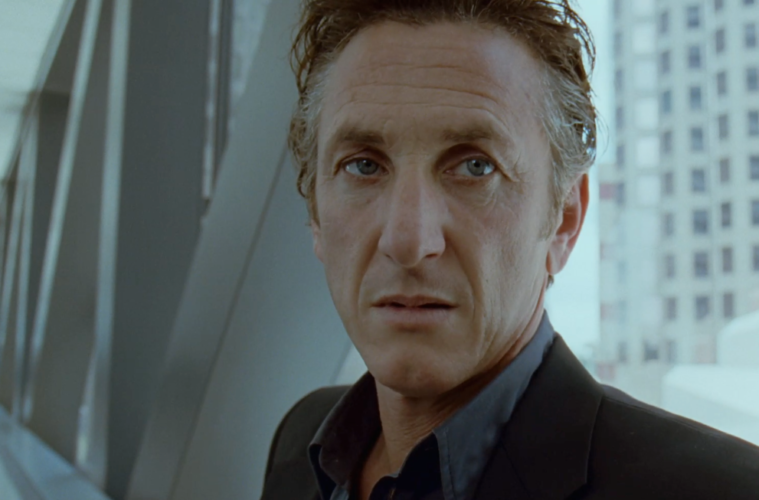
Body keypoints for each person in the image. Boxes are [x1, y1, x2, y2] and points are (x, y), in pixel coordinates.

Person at [261, 1, 759, 499]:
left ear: (564, 220)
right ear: (315, 216)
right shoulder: (301, 441)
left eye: (476, 167)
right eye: (363, 166)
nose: (408, 241)